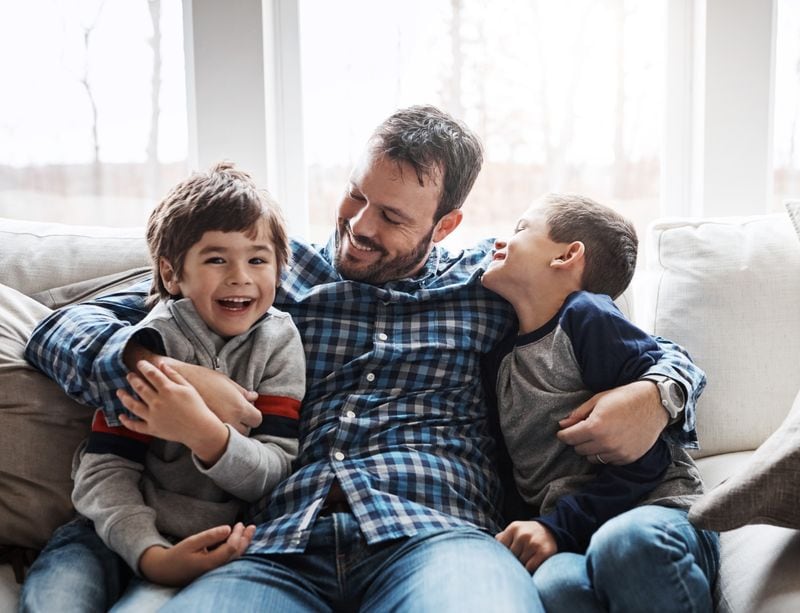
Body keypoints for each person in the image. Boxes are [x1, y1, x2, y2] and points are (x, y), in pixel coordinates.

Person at [25, 105, 703, 612]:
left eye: (394, 217)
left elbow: (631, 336)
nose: (360, 225)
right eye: (357, 194)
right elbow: (62, 328)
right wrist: (177, 370)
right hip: (276, 542)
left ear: (446, 226)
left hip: (437, 535)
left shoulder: (489, 284)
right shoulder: (269, 275)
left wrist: (659, 391)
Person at [19, 162, 305, 612]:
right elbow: (106, 470)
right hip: (107, 530)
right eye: (216, 259)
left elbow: (273, 472)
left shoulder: (279, 343)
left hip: (211, 542)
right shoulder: (151, 338)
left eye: (257, 259)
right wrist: (150, 555)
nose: (239, 276)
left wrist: (204, 434)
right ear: (173, 275)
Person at [481, 193, 719, 611]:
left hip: (657, 511)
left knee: (625, 543)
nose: (498, 243)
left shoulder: (588, 317)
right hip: (572, 535)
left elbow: (650, 453)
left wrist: (558, 526)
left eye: (520, 229)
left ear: (567, 255)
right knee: (556, 587)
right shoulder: (500, 356)